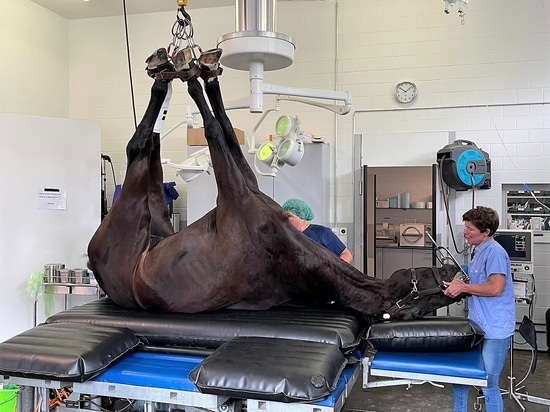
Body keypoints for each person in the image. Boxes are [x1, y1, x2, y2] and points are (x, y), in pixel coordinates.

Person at [443, 206, 515, 412]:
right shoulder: (478, 249)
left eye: (470, 229)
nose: (465, 232)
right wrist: (460, 275)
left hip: (495, 329)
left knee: (488, 384)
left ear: (486, 232)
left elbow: (495, 287)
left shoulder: (495, 252)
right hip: (477, 325)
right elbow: (476, 273)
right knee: (461, 376)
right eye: (465, 227)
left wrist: (462, 287)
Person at [282, 198, 353, 263]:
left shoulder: (322, 233)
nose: (285, 219)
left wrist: (334, 272)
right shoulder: (287, 236)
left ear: (301, 216)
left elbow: (346, 255)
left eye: (289, 216)